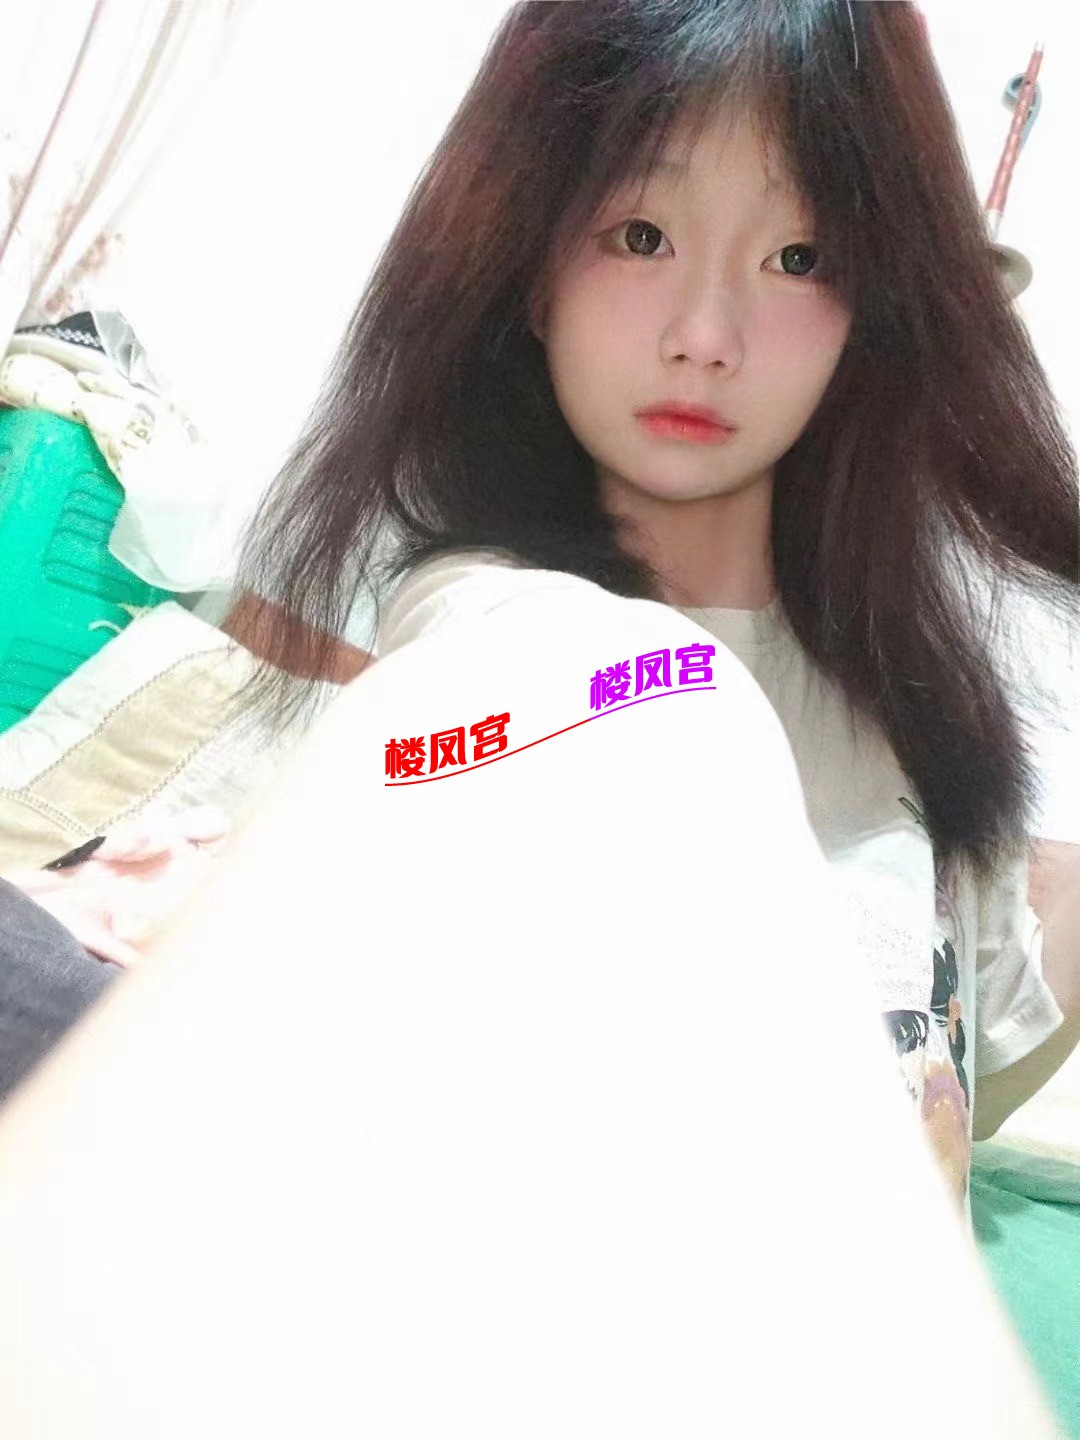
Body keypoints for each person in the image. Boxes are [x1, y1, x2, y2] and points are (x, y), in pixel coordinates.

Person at [0, 1, 1076, 1433]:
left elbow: (965, 1053)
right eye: (640, 234)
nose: (706, 335)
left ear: (875, 305)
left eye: (800, 257)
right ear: (528, 265)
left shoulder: (917, 719)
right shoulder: (519, 637)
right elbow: (530, 719)